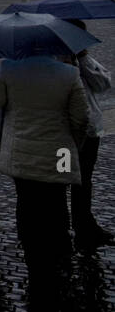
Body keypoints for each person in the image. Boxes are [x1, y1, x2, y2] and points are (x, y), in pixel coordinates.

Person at [0, 50, 88, 297]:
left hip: (22, 151)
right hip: (59, 151)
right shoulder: (70, 73)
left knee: (27, 200)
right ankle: (58, 245)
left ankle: (32, 247)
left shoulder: (9, 68)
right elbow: (81, 117)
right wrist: (76, 143)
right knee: (56, 197)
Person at [66, 21, 113, 251]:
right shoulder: (56, 65)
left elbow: (103, 84)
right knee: (64, 177)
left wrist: (83, 58)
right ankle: (66, 225)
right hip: (64, 138)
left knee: (83, 179)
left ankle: (83, 223)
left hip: (89, 134)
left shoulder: (83, 60)